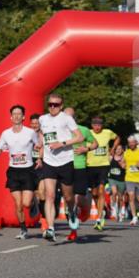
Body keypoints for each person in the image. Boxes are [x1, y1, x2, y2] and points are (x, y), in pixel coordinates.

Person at [37, 93, 84, 242]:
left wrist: (62, 144)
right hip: (49, 162)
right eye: (50, 104)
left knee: (68, 197)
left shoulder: (66, 118)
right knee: (49, 196)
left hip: (65, 161)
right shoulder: (42, 119)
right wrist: (40, 147)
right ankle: (50, 228)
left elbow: (79, 137)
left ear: (61, 106)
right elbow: (42, 134)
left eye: (55, 105)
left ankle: (72, 212)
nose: (52, 107)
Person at [0, 104, 41, 239]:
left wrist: (40, 158)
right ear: (11, 117)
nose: (17, 116)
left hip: (28, 170)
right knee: (18, 204)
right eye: (14, 114)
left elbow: (38, 145)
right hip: (13, 171)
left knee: (26, 203)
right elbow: (0, 148)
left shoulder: (30, 132)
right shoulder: (5, 133)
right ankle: (23, 229)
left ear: (23, 117)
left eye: (19, 114)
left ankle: (33, 201)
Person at [64, 107, 98, 227]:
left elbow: (95, 143)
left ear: (75, 118)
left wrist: (86, 148)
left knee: (78, 198)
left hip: (80, 167)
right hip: (64, 167)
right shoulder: (59, 131)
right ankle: (72, 219)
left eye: (71, 117)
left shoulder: (83, 130)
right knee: (67, 196)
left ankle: (86, 205)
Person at [87, 116, 117, 230]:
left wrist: (113, 148)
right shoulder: (87, 133)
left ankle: (99, 219)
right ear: (92, 125)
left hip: (103, 165)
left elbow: (118, 138)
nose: (97, 127)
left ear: (102, 125)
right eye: (95, 125)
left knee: (101, 190)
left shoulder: (108, 132)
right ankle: (102, 211)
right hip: (90, 166)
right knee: (94, 194)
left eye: (99, 125)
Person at [107, 143, 127, 221]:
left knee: (121, 198)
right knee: (114, 192)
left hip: (121, 180)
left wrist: (122, 163)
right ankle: (114, 210)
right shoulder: (111, 158)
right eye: (116, 149)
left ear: (122, 150)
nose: (118, 150)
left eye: (119, 149)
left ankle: (120, 211)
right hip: (112, 178)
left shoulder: (124, 158)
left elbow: (125, 167)